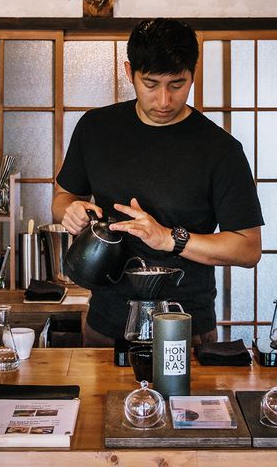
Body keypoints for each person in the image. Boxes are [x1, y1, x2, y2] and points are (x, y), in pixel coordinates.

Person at [53, 18, 263, 346]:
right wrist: (71, 210)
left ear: (193, 74)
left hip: (186, 327)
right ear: (129, 72)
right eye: (150, 84)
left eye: (177, 84)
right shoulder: (96, 129)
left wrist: (169, 239)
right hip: (106, 323)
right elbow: (64, 196)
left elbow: (248, 249)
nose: (164, 101)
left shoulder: (220, 149)